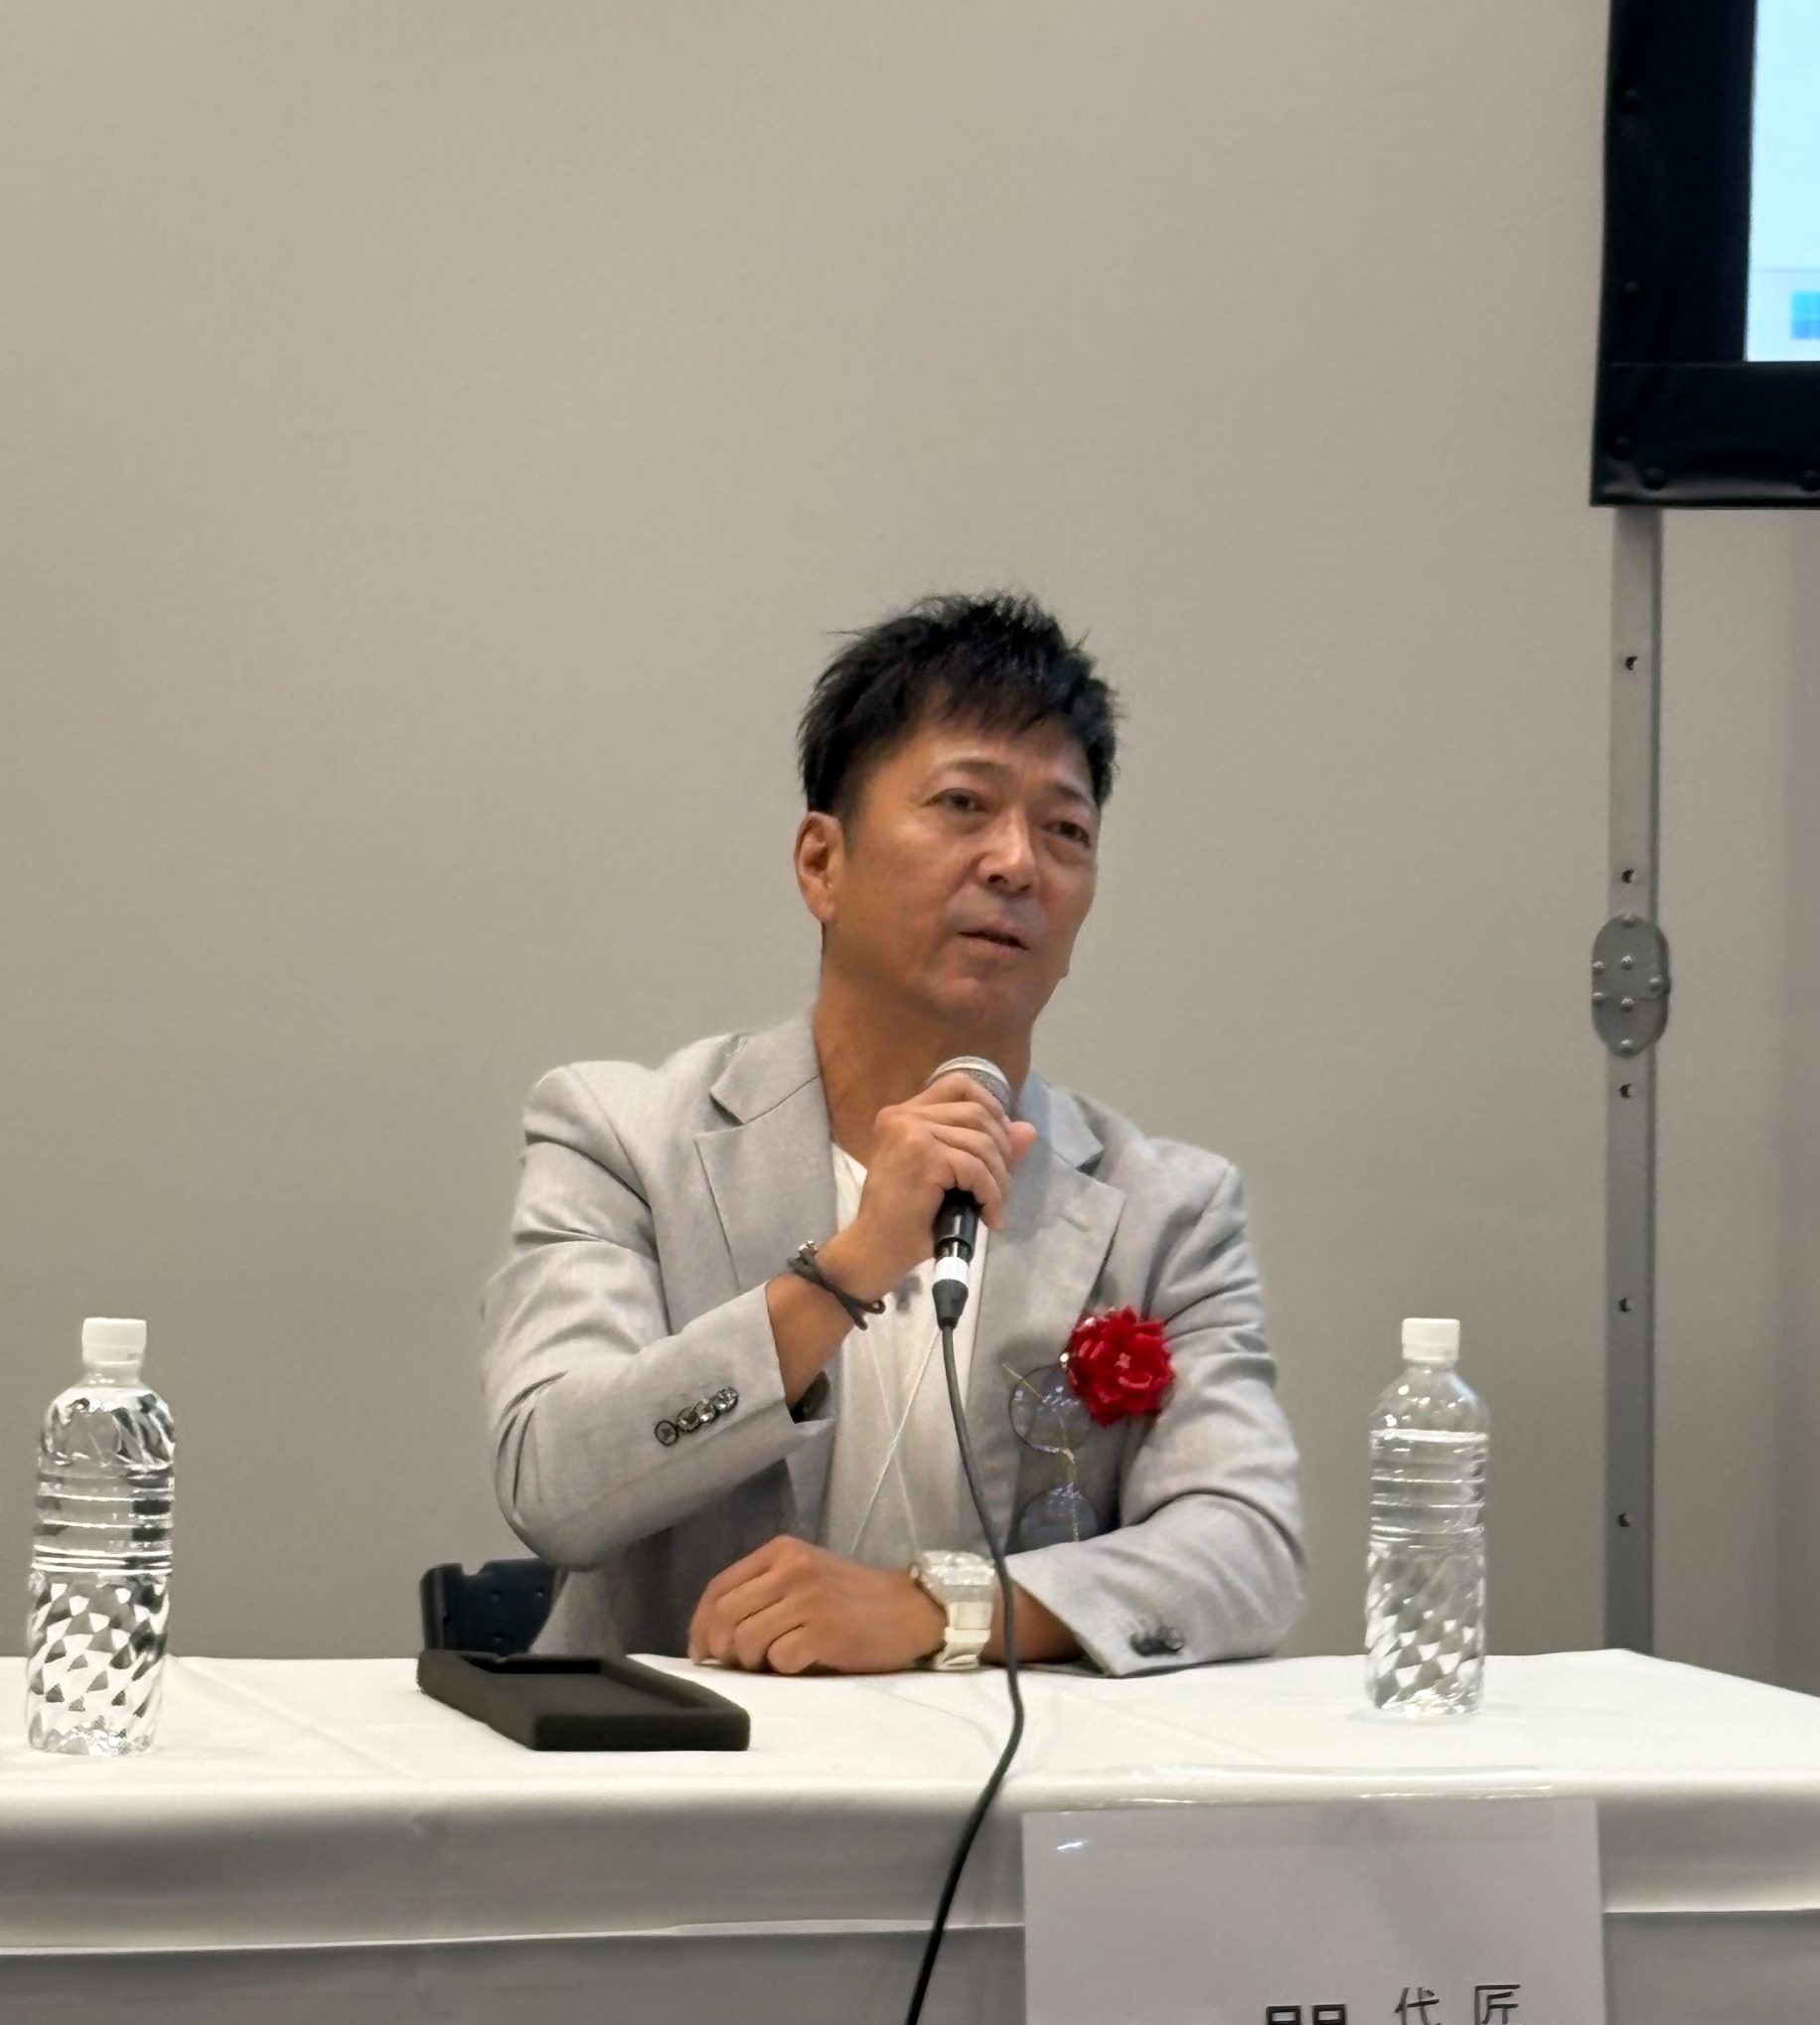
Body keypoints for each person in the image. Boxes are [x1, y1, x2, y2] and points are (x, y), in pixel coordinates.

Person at [482, 591, 1303, 1676]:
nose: (1016, 862)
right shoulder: (624, 1138)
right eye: (965, 803)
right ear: (822, 864)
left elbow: (1248, 1551)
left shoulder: (1168, 1211)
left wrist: (939, 1610)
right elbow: (553, 1486)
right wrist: (848, 1268)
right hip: (682, 1764)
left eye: (1065, 830)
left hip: (1015, 1773)